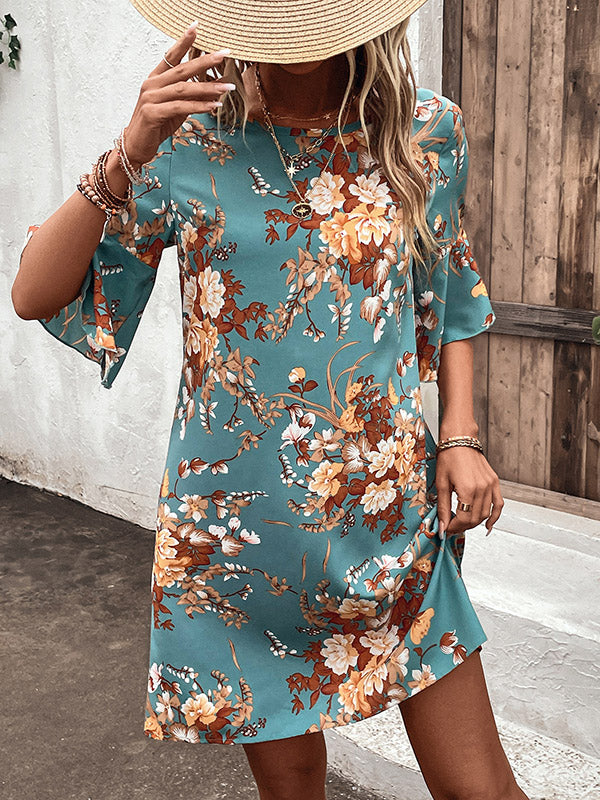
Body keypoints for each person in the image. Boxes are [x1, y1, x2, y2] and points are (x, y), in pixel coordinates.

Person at [12, 2, 530, 798]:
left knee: (478, 789)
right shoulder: (187, 142)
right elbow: (34, 294)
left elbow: (450, 287)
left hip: (390, 526)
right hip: (240, 544)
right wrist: (129, 149)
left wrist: (460, 435)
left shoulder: (423, 132)